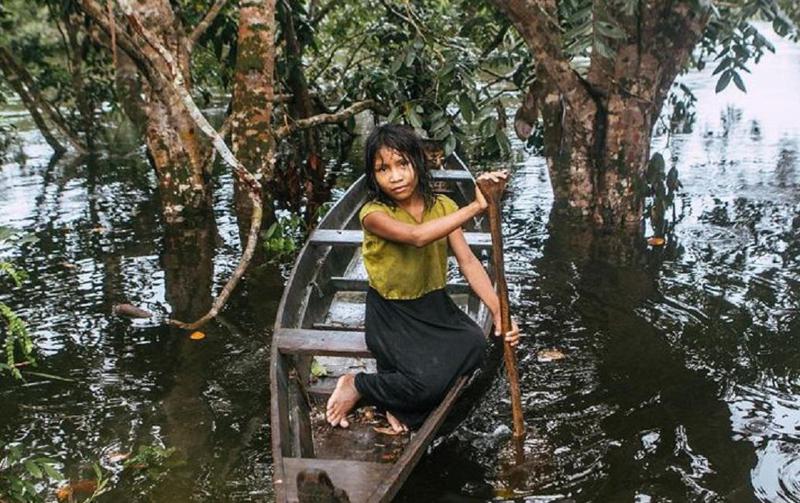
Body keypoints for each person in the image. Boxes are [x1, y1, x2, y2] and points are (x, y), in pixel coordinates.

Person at [326, 124, 520, 433]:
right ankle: (356, 384)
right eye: (383, 169)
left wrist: (499, 310)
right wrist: (475, 206)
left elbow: (468, 262)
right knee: (425, 385)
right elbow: (417, 237)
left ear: (418, 162)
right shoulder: (373, 213)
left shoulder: (443, 206)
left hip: (433, 306)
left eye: (402, 164)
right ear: (373, 176)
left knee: (474, 345)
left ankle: (396, 399)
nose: (395, 176)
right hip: (392, 314)